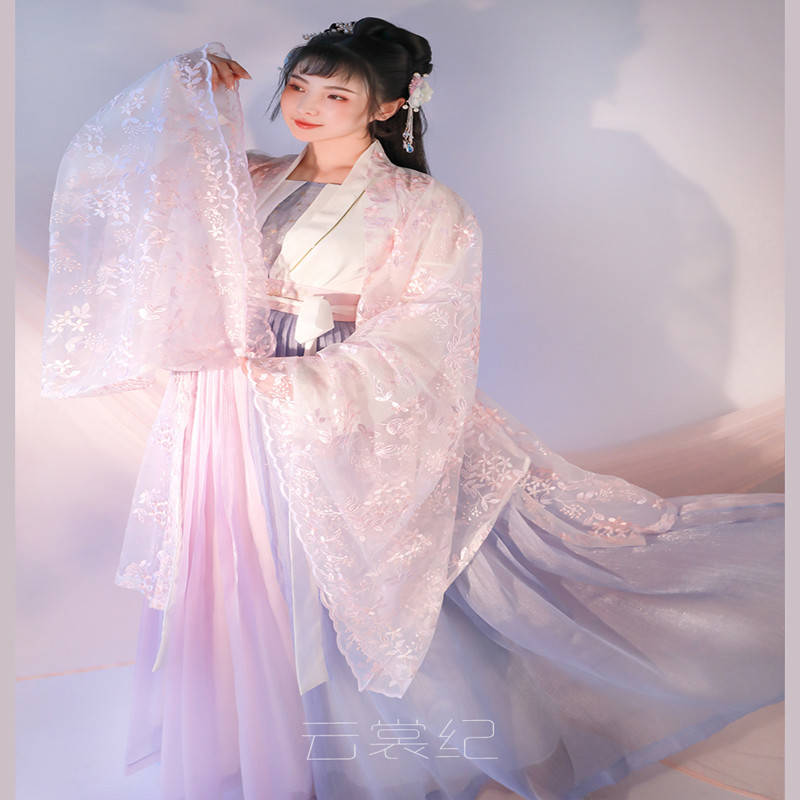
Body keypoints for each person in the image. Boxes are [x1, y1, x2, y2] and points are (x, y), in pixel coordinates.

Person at [41, 17, 784, 800]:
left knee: (407, 598)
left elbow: (428, 327)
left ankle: (534, 761)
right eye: (298, 84)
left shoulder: (423, 208)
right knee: (268, 591)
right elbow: (135, 198)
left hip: (346, 413)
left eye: (336, 94)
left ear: (391, 106)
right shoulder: (251, 182)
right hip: (233, 418)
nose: (307, 105)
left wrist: (311, 383)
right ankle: (309, 760)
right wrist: (186, 87)